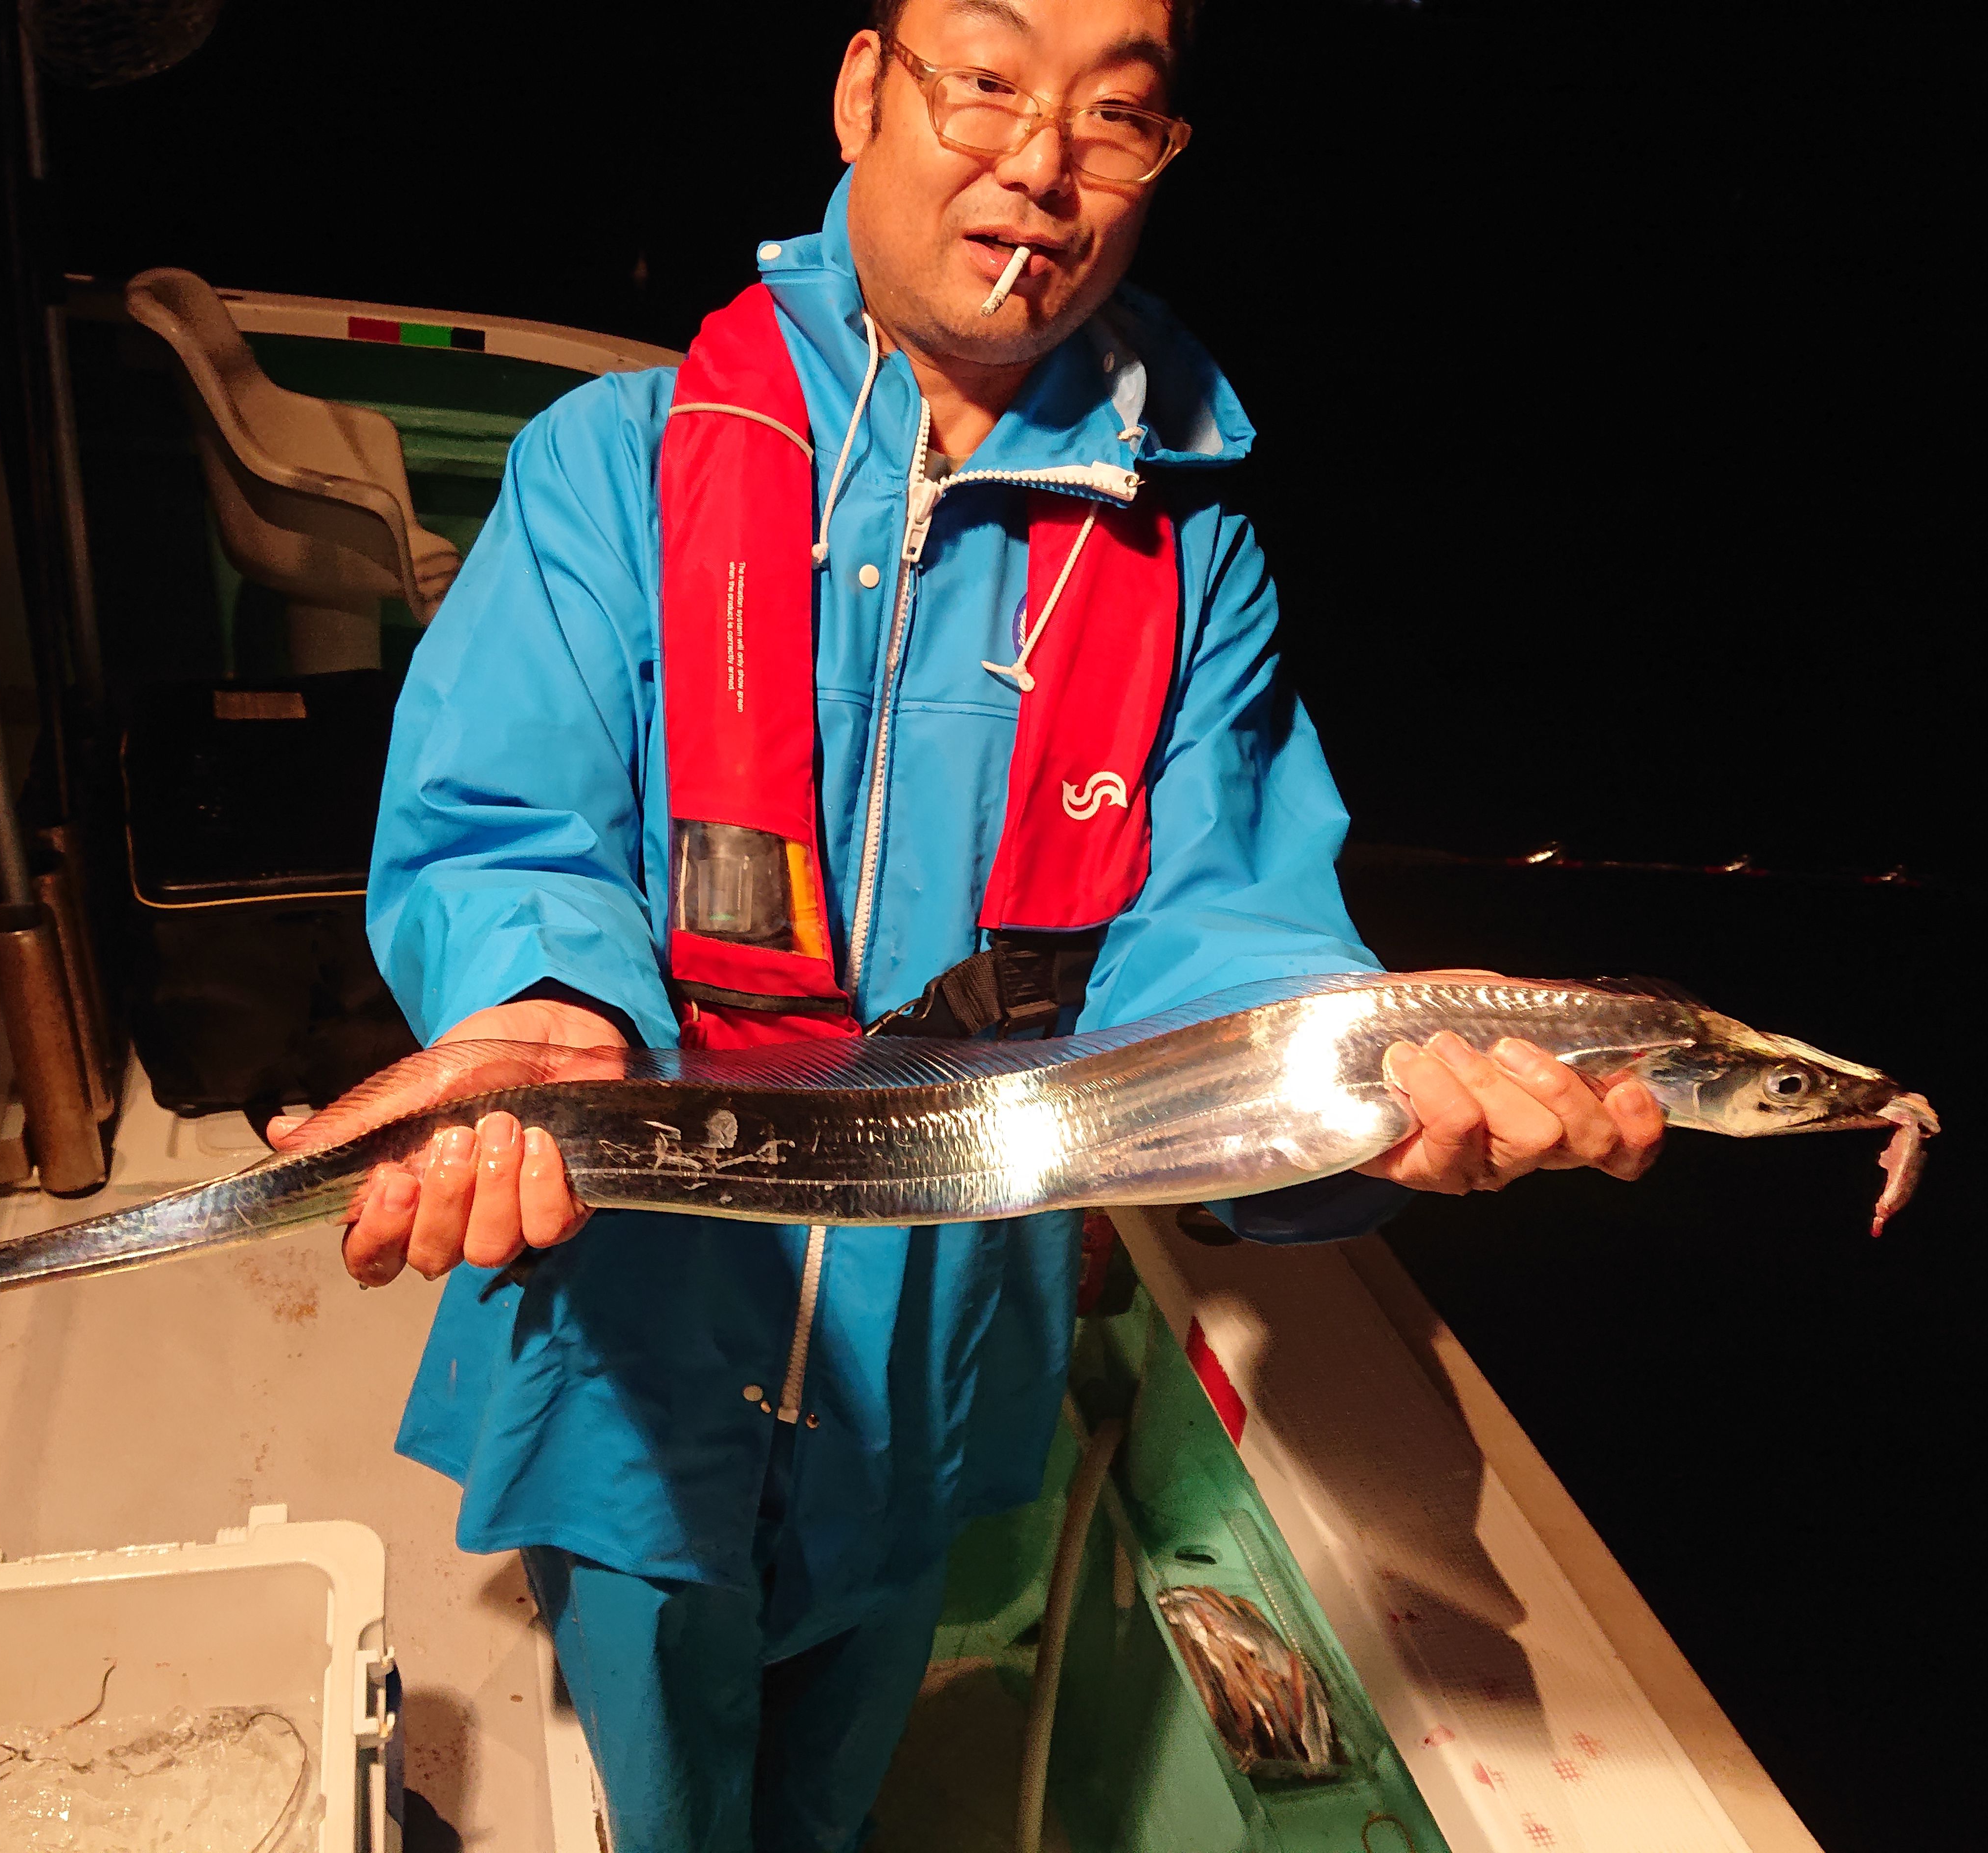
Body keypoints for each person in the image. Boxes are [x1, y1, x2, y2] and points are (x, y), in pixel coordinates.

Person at [269, 0, 1664, 1845]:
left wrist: (1370, 1092)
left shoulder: (1191, 556)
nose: (1042, 165)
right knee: (660, 1772)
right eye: (988, 80)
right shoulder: (614, 461)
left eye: (1117, 115)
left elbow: (1226, 923)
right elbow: (499, 820)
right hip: (639, 1312)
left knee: (839, 1768)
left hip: (941, 1340)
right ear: (866, 92)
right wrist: (537, 1004)